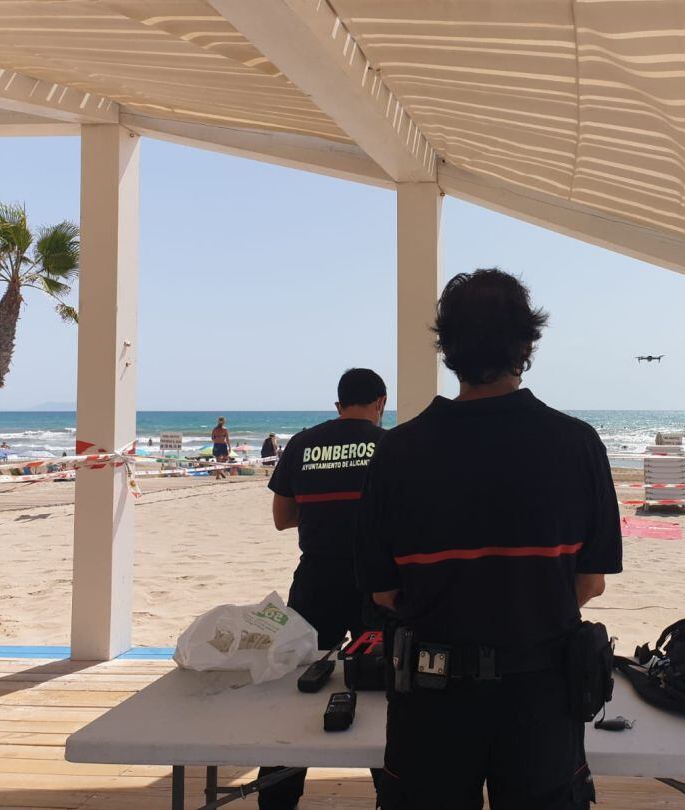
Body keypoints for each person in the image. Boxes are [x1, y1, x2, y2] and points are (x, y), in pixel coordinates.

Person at [363, 268, 622, 809]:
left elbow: (385, 594)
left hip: (429, 702)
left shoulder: (396, 453)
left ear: (447, 349)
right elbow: (590, 583)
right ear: (527, 345)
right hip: (541, 700)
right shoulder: (577, 446)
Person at [259, 368, 388, 810]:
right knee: (383, 690)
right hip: (375, 586)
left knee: (299, 687)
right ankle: (391, 793)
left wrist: (320, 516)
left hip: (315, 580)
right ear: (380, 403)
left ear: (337, 405)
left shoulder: (302, 443)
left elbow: (281, 517)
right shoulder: (389, 446)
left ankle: (276, 796)